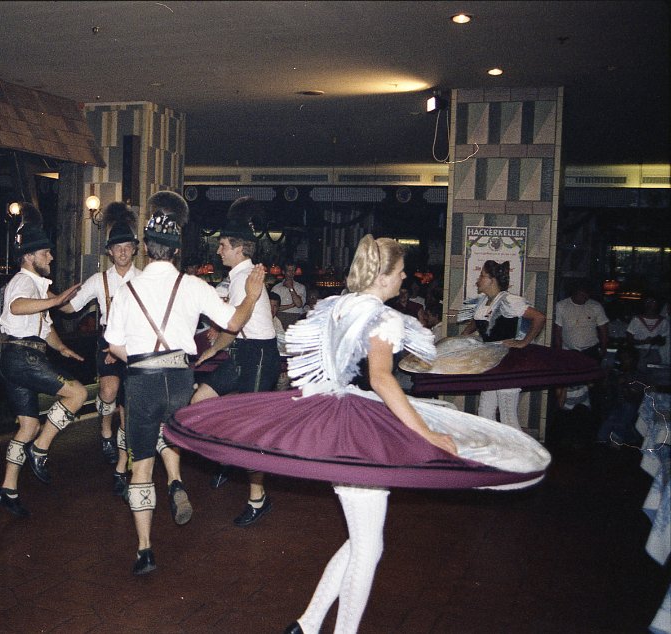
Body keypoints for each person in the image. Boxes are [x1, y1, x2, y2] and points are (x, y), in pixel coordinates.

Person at [165, 235, 550, 634]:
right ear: (383, 276)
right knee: (368, 547)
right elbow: (381, 378)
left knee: (364, 541)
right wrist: (426, 433)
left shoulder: (340, 305)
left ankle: (307, 625)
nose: (404, 278)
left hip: (335, 419)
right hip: (357, 429)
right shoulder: (381, 317)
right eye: (400, 272)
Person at [104, 190, 267, 575]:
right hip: (180, 378)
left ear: (146, 248)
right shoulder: (194, 286)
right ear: (176, 251)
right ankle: (176, 483)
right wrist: (252, 296)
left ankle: (145, 550)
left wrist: (142, 357)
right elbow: (233, 322)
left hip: (142, 380)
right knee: (171, 433)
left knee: (141, 466)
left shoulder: (127, 290)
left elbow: (113, 345)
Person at [190, 196, 281, 526]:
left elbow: (235, 322)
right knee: (200, 401)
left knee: (251, 430)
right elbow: (235, 325)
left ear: (239, 249)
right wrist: (215, 349)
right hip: (243, 352)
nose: (218, 251)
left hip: (259, 357)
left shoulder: (244, 279)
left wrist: (217, 345)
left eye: (223, 245)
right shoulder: (240, 276)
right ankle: (227, 457)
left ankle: (258, 499)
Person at [0, 206, 87, 517]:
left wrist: (62, 349)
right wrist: (56, 300)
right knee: (78, 394)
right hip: (23, 357)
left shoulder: (37, 286)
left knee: (29, 425)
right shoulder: (24, 281)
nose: (51, 257)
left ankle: (8, 490)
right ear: (30, 256)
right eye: (46, 253)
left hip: (15, 357)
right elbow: (17, 306)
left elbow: (45, 329)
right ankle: (40, 449)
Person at [60, 202, 140, 495]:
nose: (122, 252)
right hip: (108, 341)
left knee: (129, 406)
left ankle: (123, 458)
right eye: (117, 248)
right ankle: (106, 430)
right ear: (109, 252)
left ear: (134, 249)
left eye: (127, 247)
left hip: (136, 343)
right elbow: (71, 307)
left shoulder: (143, 280)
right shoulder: (100, 280)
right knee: (108, 391)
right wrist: (52, 299)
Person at [460, 260, 546, 429]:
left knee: (507, 415)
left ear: (492, 280)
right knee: (485, 412)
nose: (478, 280)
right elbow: (479, 321)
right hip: (491, 360)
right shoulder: (483, 301)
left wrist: (523, 342)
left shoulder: (509, 301)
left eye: (482, 276)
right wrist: (462, 337)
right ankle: (493, 445)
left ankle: (519, 447)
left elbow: (539, 317)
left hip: (508, 361)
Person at [552, 279, 609, 411]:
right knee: (570, 384)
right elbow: (558, 331)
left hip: (590, 351)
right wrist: (559, 352)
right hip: (569, 352)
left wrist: (604, 348)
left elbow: (603, 329)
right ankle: (568, 410)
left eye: (586, 295)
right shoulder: (562, 306)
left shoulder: (595, 306)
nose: (584, 297)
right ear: (574, 292)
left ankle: (591, 412)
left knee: (592, 385)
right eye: (581, 294)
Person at [626, 295, 669, 372]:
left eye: (653, 301)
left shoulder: (663, 321)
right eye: (648, 301)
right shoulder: (636, 319)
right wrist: (644, 342)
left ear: (657, 304)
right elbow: (629, 339)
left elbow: (663, 342)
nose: (650, 304)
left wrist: (656, 340)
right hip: (638, 352)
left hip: (654, 352)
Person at [271, 262, 306, 328]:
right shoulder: (276, 288)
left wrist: (291, 288)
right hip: (280, 317)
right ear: (284, 272)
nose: (291, 273)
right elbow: (275, 307)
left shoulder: (301, 287)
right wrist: (292, 305)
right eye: (289, 271)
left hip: (296, 317)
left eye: (293, 270)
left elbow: (299, 304)